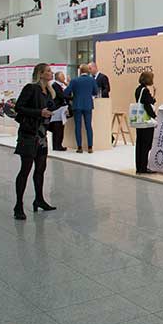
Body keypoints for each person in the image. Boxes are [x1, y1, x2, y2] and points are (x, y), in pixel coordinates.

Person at [13, 63, 57, 220]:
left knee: (40, 169)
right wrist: (39, 112)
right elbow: (19, 107)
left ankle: (39, 199)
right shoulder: (31, 88)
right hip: (29, 134)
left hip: (42, 135)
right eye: (48, 71)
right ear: (41, 73)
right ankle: (18, 205)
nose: (51, 73)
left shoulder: (49, 92)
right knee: (25, 170)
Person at [65, 64, 98, 153]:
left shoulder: (74, 80)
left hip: (77, 105)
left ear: (80, 71)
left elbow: (66, 92)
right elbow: (95, 92)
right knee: (88, 126)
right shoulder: (92, 80)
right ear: (88, 71)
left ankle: (79, 147)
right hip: (88, 105)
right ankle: (90, 147)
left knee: (78, 126)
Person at [134, 71, 158, 174]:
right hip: (146, 121)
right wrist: (154, 116)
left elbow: (145, 102)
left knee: (139, 144)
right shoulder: (145, 91)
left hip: (139, 121)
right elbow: (148, 105)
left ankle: (139, 167)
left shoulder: (138, 89)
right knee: (146, 144)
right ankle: (143, 167)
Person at [49, 71, 68, 151]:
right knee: (57, 128)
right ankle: (57, 146)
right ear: (58, 77)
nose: (64, 78)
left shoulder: (60, 85)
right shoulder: (55, 85)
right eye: (62, 76)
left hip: (60, 109)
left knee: (59, 128)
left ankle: (58, 145)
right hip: (57, 109)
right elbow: (61, 96)